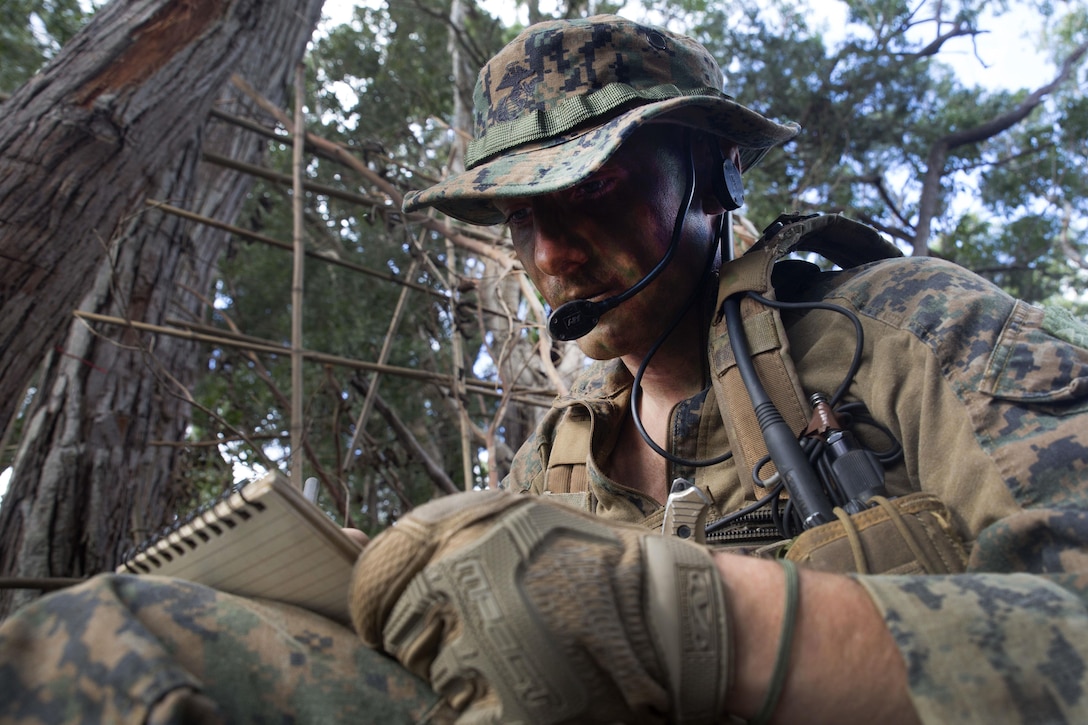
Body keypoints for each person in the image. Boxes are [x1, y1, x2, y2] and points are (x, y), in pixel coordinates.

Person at [2, 13, 1087, 725]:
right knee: (111, 644)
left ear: (707, 172)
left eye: (595, 191)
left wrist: (701, 622)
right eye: (520, 218)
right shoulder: (553, 463)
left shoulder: (900, 329)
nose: (549, 254)